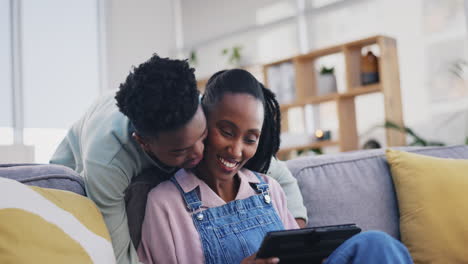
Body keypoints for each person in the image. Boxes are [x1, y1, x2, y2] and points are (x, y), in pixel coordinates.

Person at [49, 55, 307, 264]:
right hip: (70, 175)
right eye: (180, 151)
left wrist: (297, 239)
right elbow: (119, 257)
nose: (197, 154)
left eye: (203, 136)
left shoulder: (197, 108)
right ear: (144, 143)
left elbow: (273, 170)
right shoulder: (109, 163)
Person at [137, 69, 414, 264]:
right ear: (203, 124)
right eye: (226, 131)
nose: (236, 150)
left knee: (376, 244)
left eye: (250, 138)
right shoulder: (166, 203)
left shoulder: (268, 188)